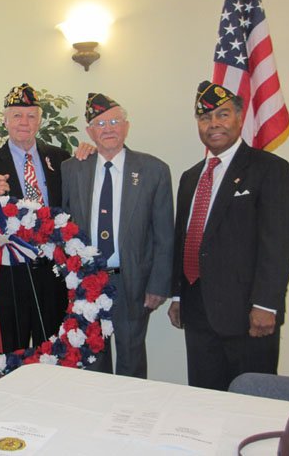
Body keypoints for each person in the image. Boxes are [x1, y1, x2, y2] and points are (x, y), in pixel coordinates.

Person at [168, 80, 289, 391]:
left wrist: (267, 304)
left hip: (248, 315)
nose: (213, 124)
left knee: (251, 400)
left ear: (240, 118)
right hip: (198, 311)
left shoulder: (270, 169)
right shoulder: (190, 177)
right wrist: (177, 295)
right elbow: (183, 239)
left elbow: (278, 243)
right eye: (205, 118)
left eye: (222, 115)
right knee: (205, 398)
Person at [62, 93, 174, 378]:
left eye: (114, 121)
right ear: (89, 132)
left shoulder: (154, 170)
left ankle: (131, 417)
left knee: (132, 358)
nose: (108, 128)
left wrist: (159, 284)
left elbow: (164, 234)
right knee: (91, 359)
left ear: (126, 126)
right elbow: (63, 226)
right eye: (100, 124)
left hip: (133, 281)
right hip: (88, 283)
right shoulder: (72, 168)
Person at [0, 83, 71, 353]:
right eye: (17, 115)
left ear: (40, 119)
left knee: (55, 351)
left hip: (52, 273)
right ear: (5, 120)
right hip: (8, 275)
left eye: (31, 115)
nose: (24, 122)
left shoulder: (61, 159)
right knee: (12, 352)